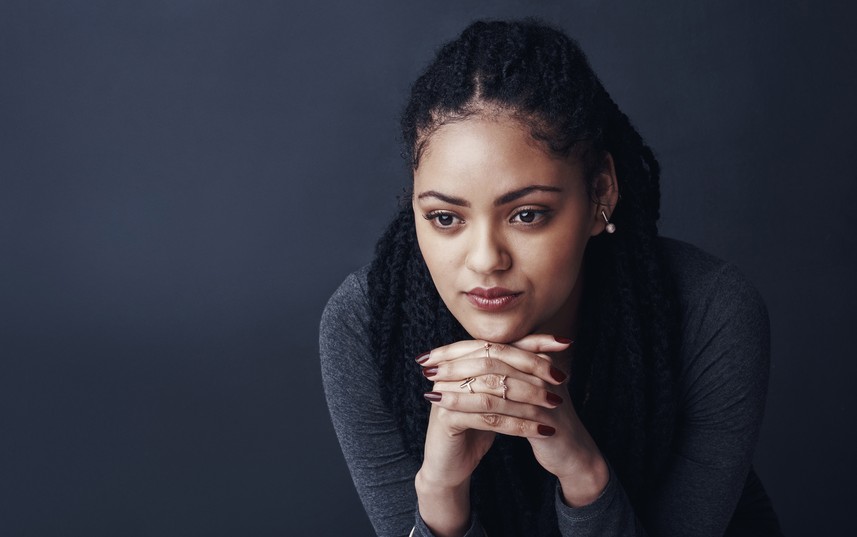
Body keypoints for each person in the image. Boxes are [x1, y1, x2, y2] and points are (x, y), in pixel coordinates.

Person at [320, 19, 782, 537]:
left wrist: (584, 475)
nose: (485, 260)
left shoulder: (709, 313)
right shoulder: (367, 325)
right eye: (446, 218)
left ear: (600, 194)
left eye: (527, 214)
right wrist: (441, 494)